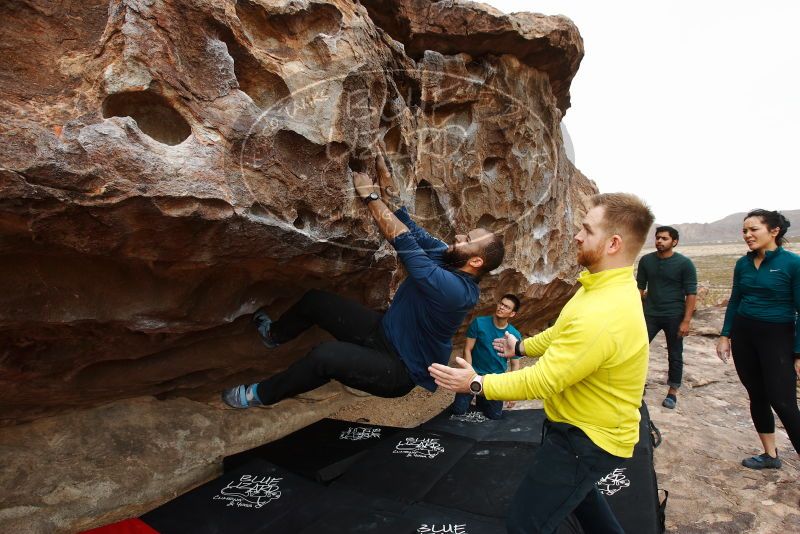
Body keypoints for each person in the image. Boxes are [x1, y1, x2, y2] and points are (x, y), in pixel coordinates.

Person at [429, 193, 655, 534]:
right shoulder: (596, 287)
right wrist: (519, 346)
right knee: (583, 500)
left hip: (587, 440)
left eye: (587, 230)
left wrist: (476, 383)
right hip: (578, 427)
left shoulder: (605, 313)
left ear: (613, 243)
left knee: (525, 523)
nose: (577, 235)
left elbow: (543, 381)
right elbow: (559, 334)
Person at [222, 153, 505, 409]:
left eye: (466, 240)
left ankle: (257, 395)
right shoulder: (448, 256)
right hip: (384, 332)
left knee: (325, 357)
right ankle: (274, 336)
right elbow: (410, 225)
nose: (458, 238)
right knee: (315, 301)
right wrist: (385, 178)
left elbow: (404, 242)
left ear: (476, 262)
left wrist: (371, 197)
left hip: (399, 370)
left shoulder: (457, 292)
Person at [715, 209, 800, 470]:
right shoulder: (742, 264)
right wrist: (725, 334)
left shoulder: (792, 264)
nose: (747, 235)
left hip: (777, 336)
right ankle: (770, 455)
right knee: (757, 395)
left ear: (774, 231)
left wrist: (798, 353)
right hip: (744, 334)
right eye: (744, 231)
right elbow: (735, 300)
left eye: (753, 230)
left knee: (783, 401)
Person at [636, 225, 697, 409]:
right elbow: (640, 288)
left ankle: (672, 392)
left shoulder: (685, 264)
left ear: (674, 242)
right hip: (650, 314)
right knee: (636, 350)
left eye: (664, 238)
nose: (659, 241)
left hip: (674, 315)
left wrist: (686, 321)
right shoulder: (646, 261)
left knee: (675, 353)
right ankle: (637, 386)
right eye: (657, 238)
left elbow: (691, 294)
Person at [452, 294, 523, 420]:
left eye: (506, 307)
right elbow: (467, 349)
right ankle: (477, 397)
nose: (501, 307)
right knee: (458, 411)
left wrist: (514, 391)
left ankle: (481, 399)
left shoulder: (514, 334)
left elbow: (515, 364)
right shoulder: (479, 323)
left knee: (494, 416)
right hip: (474, 374)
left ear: (512, 314)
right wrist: (469, 373)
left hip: (495, 379)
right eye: (501, 303)